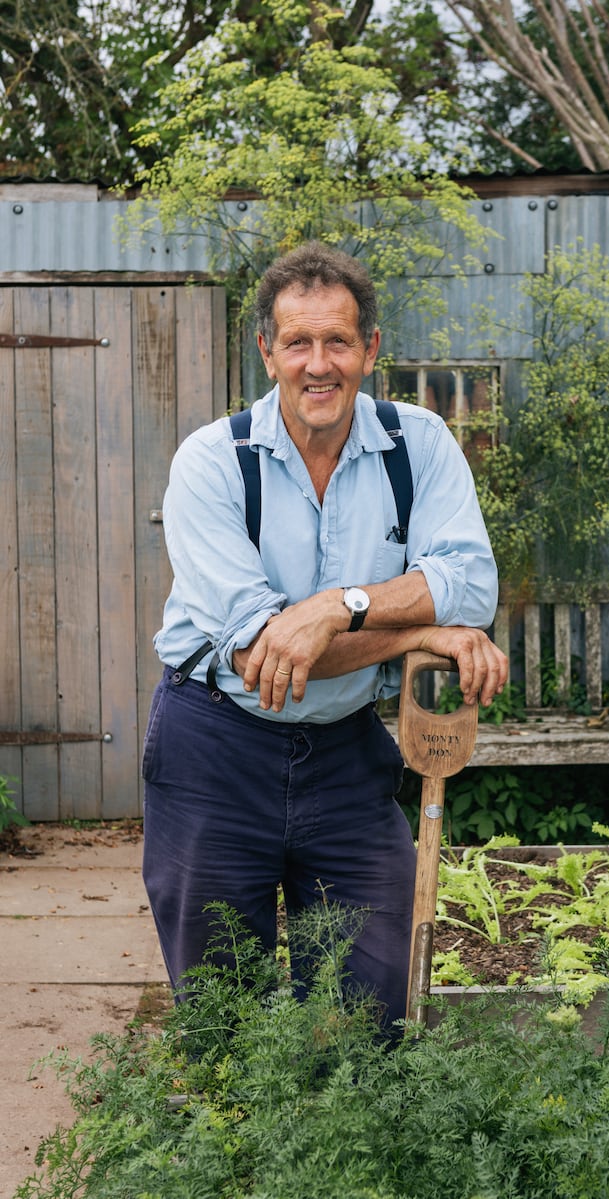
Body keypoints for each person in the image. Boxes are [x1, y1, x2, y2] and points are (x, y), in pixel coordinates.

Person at [142, 240, 508, 1035]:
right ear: (267, 351)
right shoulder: (212, 463)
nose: (319, 363)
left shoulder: (418, 446)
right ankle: (233, 1155)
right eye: (298, 342)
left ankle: (356, 1154)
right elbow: (268, 657)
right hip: (216, 749)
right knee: (222, 1009)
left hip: (345, 756)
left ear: (370, 351)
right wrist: (422, 629)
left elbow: (474, 583)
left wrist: (339, 606)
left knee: (372, 999)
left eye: (338, 341)